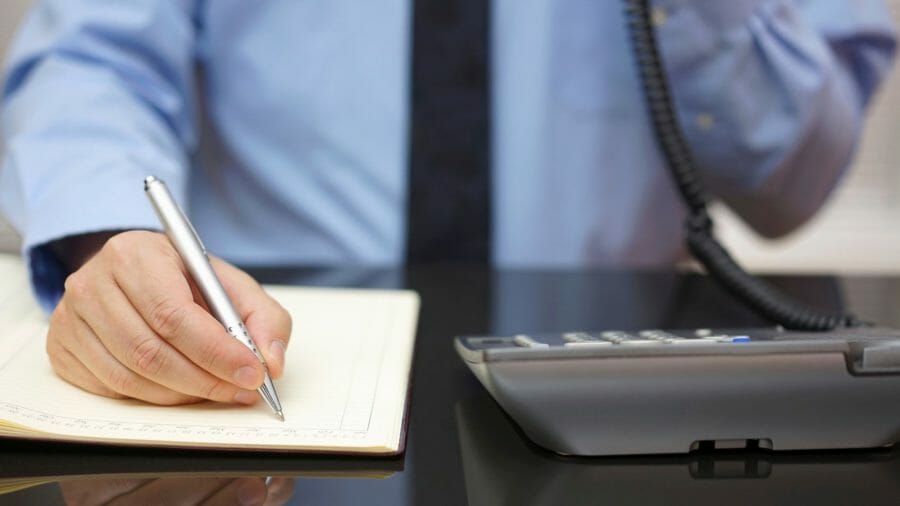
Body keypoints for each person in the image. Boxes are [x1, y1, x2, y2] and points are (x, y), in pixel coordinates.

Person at [0, 1, 895, 406]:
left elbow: (795, 182)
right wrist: (113, 236)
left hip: (606, 389)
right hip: (268, 369)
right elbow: (92, 64)